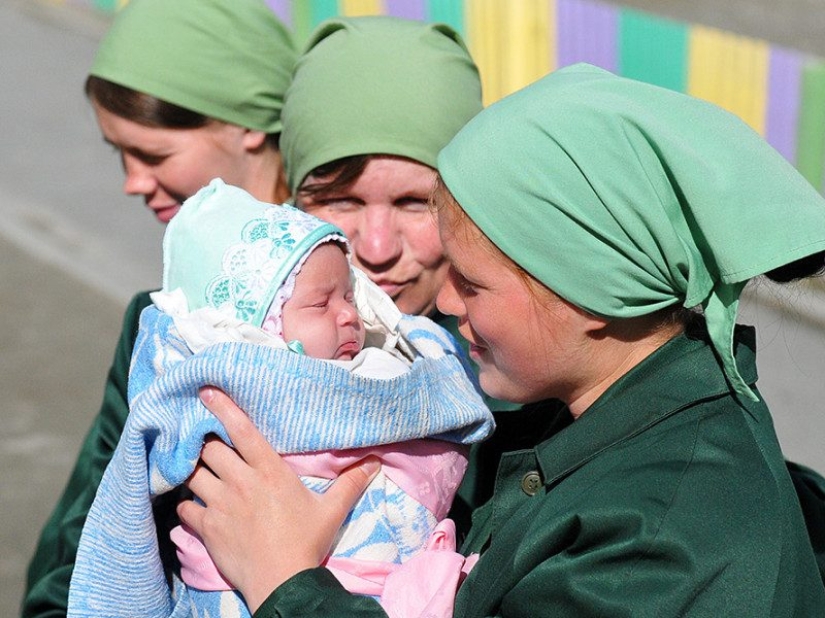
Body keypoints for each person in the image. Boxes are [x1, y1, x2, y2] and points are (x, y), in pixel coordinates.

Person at [173, 64, 825, 616]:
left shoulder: (654, 539)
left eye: (473, 283)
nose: (447, 301)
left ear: (589, 292)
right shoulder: (607, 430)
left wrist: (286, 581)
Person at [66, 179, 493, 617]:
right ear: (259, 331)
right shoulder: (225, 389)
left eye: (349, 295)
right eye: (319, 304)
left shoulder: (389, 356)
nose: (349, 314)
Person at [22, 1, 296, 616]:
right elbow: (88, 527)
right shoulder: (157, 314)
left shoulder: (369, 304)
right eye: (119, 153)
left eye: (153, 154)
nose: (131, 182)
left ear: (245, 125)